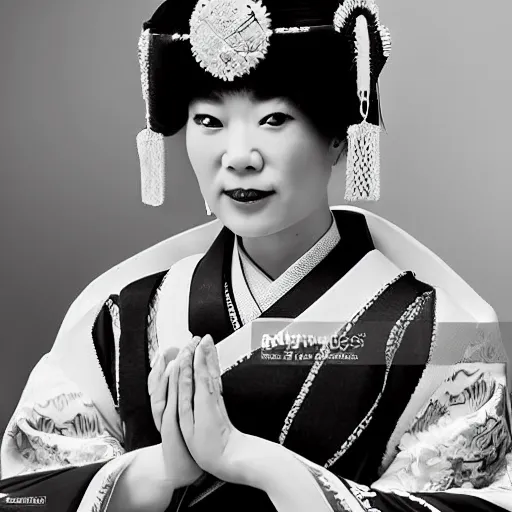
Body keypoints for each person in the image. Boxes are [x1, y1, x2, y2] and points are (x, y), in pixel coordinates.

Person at [1, 0, 511, 511]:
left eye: (273, 118)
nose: (239, 155)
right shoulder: (126, 319)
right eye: (208, 119)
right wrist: (156, 471)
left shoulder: (438, 333)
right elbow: (26, 492)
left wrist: (255, 461)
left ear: (338, 139)